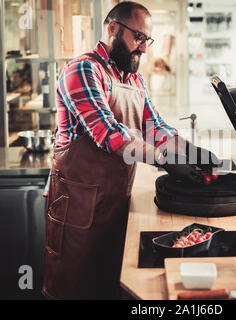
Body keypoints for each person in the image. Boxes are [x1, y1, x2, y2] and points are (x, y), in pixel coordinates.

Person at [42, 1, 220, 300]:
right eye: (139, 38)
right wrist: (165, 161)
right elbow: (109, 134)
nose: (144, 49)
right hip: (77, 210)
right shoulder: (84, 69)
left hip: (115, 204)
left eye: (147, 40)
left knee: (109, 285)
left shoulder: (134, 79)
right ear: (113, 28)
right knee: (73, 288)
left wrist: (196, 153)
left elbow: (157, 129)